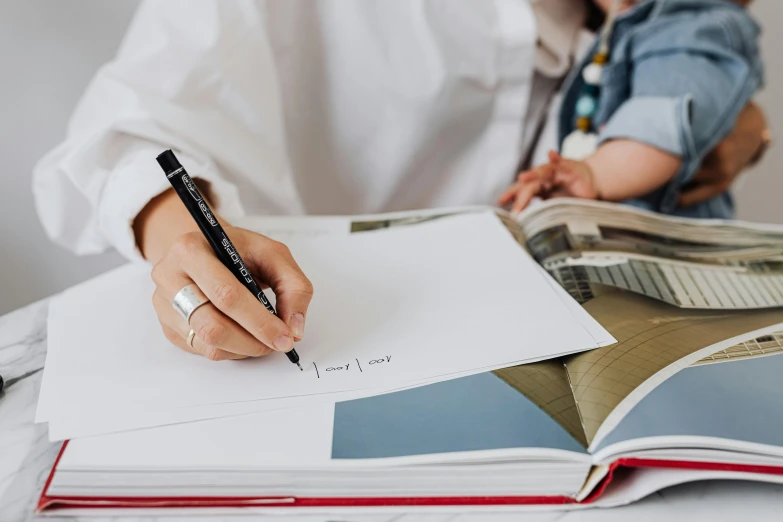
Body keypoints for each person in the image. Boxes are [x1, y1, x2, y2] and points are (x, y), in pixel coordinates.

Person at [33, 0, 769, 362]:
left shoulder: (643, 21)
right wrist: (179, 237)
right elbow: (129, 127)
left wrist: (716, 122)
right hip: (327, 336)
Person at [500, 0, 768, 217]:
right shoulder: (621, 24)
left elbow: (658, 127)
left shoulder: (691, 28)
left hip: (658, 254)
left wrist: (594, 175)